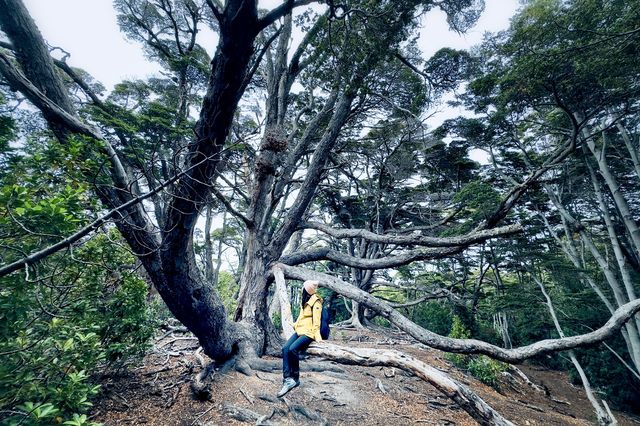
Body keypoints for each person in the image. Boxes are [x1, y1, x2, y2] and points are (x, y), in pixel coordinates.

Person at [277, 279, 323, 397]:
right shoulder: (305, 300)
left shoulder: (316, 302)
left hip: (308, 333)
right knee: (285, 348)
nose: (302, 288)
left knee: (293, 349)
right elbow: (301, 317)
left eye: (304, 287)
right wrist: (294, 325)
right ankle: (287, 379)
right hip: (300, 330)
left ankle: (296, 378)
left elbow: (317, 321)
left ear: (307, 290)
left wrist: (317, 336)